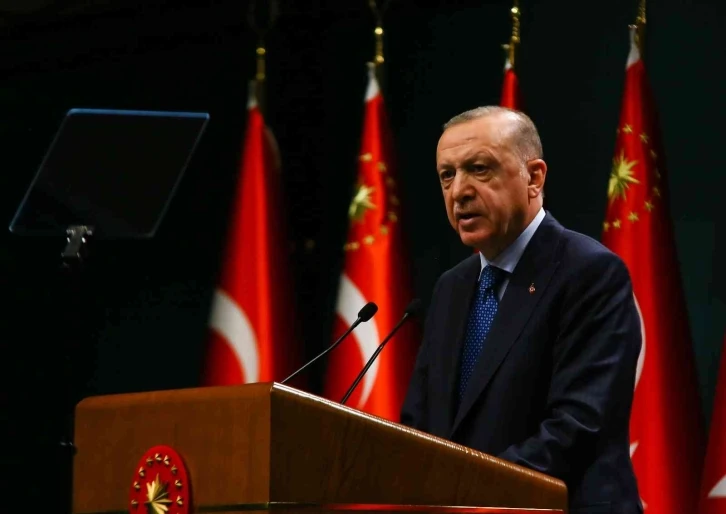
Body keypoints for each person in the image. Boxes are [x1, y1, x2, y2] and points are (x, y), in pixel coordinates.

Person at [401, 106, 642, 514]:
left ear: (534, 178)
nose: (458, 191)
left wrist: (466, 490)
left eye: (479, 169)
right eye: (447, 175)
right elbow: (420, 421)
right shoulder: (451, 287)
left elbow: (578, 427)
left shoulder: (590, 273)